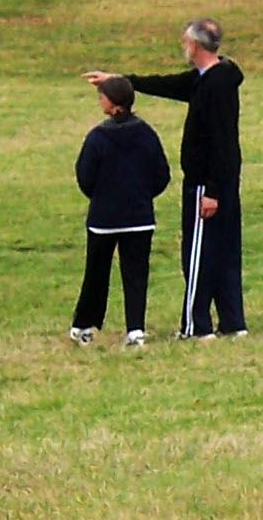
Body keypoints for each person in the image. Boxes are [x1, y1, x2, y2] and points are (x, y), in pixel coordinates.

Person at [87, 18, 246, 340]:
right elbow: (168, 84)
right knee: (224, 251)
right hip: (221, 181)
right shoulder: (208, 79)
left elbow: (221, 140)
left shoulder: (215, 86)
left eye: (186, 43)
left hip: (208, 183)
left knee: (198, 254)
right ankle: (232, 321)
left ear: (197, 46)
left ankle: (196, 326)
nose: (184, 49)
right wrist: (119, 81)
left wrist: (211, 190)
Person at [70, 75, 172, 348]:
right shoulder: (147, 133)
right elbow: (162, 174)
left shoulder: (98, 137)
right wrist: (141, 196)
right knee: (136, 274)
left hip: (104, 219)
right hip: (139, 218)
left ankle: (84, 325)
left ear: (113, 103)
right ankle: (135, 329)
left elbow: (85, 175)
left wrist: (102, 197)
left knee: (96, 272)